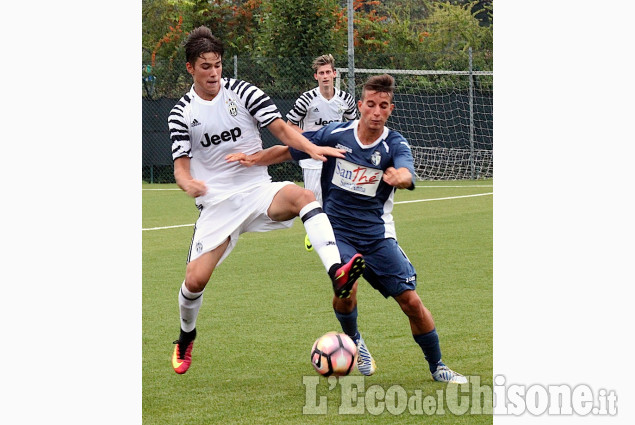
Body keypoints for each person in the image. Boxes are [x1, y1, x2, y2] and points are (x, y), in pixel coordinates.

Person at [227, 74, 467, 383]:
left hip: (378, 237)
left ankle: (438, 367)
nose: (376, 112)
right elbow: (288, 150)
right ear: (361, 106)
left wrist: (401, 178)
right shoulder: (335, 134)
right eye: (370, 105)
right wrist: (253, 159)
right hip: (337, 231)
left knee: (411, 302)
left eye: (383, 106)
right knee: (346, 286)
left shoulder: (394, 144)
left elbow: (408, 172)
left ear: (390, 109)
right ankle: (354, 339)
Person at [167, 26, 365, 375]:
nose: (213, 73)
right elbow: (181, 168)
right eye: (205, 67)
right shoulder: (181, 113)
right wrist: (189, 185)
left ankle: (337, 271)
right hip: (217, 205)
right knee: (194, 282)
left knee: (303, 196)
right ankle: (186, 337)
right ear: (190, 69)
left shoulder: (243, 92)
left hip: (258, 189)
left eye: (217, 65)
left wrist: (311, 146)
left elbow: (282, 129)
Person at [286, 54, 357, 251]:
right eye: (321, 73)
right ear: (316, 76)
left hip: (336, 157)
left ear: (334, 74)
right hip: (312, 158)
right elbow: (290, 125)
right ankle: (314, 234)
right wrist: (311, 144)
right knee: (314, 200)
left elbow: (353, 127)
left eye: (328, 72)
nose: (325, 76)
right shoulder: (307, 99)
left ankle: (335, 237)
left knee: (338, 198)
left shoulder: (345, 100)